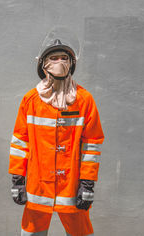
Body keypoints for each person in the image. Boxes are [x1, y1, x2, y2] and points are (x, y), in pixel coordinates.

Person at [9, 28, 105, 236]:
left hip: (71, 186)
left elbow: (92, 144)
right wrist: (17, 179)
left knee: (81, 233)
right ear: (43, 64)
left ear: (71, 63)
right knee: (32, 233)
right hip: (38, 187)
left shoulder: (84, 100)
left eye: (64, 58)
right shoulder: (31, 100)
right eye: (54, 58)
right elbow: (19, 142)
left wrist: (87, 183)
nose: (59, 62)